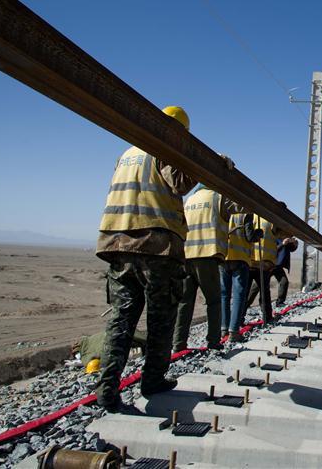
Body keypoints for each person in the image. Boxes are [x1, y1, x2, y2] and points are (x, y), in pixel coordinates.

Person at [94, 105, 200, 412]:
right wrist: (204, 164)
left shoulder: (128, 152)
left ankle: (107, 386)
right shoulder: (163, 145)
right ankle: (152, 380)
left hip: (118, 243)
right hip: (155, 247)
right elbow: (179, 183)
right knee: (160, 316)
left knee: (121, 319)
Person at [172, 185, 239, 352]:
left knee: (184, 302)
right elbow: (241, 206)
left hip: (185, 256)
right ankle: (214, 341)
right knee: (214, 301)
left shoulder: (189, 200)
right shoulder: (218, 197)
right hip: (206, 255)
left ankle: (178, 343)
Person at [221, 211, 257, 342]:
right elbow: (249, 236)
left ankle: (224, 328)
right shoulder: (245, 213)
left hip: (224, 256)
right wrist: (258, 234)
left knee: (224, 295)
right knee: (238, 295)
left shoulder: (225, 210)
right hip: (240, 258)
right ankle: (234, 331)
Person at [245, 214, 280, 324]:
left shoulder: (250, 216)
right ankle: (267, 318)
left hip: (248, 261)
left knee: (244, 293)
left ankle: (238, 321)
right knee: (264, 293)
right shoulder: (272, 220)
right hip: (263, 263)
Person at [272, 236, 299, 306]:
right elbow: (272, 250)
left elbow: (291, 249)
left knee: (284, 282)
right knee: (257, 285)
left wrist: (295, 245)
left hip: (278, 266)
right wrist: (283, 244)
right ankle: (246, 304)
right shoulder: (273, 237)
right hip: (269, 265)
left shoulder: (285, 237)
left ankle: (280, 302)